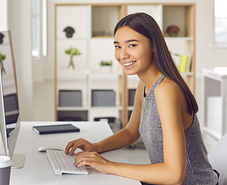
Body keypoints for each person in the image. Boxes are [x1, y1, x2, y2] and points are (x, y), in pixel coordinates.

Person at [65, 12, 219, 185]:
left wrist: (108, 165)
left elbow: (174, 175)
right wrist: (96, 147)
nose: (122, 55)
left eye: (132, 45)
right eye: (117, 46)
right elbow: (131, 132)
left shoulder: (166, 90)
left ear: (153, 45)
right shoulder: (145, 84)